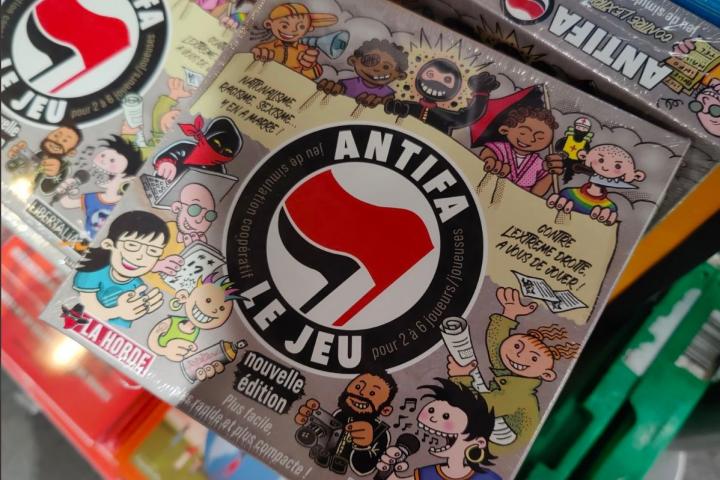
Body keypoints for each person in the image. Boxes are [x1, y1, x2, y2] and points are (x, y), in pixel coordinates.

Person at [447, 288, 579, 454]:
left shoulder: (519, 396)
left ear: (546, 374)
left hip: (503, 442)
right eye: (517, 346)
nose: (519, 355)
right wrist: (509, 314)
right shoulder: (515, 376)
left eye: (533, 358)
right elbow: (496, 347)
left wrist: (460, 378)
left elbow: (481, 406)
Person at [72, 211, 180, 328]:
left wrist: (141, 310)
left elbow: (126, 324)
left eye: (153, 251)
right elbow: (85, 308)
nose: (140, 256)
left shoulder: (138, 285)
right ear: (109, 244)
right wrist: (119, 311)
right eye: (132, 245)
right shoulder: (92, 272)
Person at [377, 378, 500, 480]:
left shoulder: (487, 477)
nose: (432, 418)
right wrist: (386, 470)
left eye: (446, 416)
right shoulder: (428, 474)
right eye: (431, 410)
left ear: (479, 442)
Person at [294, 368, 398, 476]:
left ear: (386, 410)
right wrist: (308, 423)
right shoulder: (340, 414)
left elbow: (364, 469)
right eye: (358, 387)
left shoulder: (381, 433)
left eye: (372, 393)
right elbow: (323, 439)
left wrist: (363, 447)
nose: (361, 393)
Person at [148, 272, 241, 380]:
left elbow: (189, 360)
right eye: (208, 300)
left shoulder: (199, 338)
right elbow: (153, 339)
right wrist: (164, 350)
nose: (214, 310)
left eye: (222, 308)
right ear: (184, 296)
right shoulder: (171, 322)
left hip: (169, 374)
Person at [56, 135, 143, 238]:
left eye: (112, 161)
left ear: (129, 178)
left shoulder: (126, 206)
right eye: (103, 156)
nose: (103, 161)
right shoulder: (93, 198)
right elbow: (67, 203)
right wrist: (65, 189)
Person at [384, 60, 499, 136]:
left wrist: (481, 93)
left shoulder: (445, 118)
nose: (436, 83)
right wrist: (394, 107)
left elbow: (467, 116)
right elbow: (396, 108)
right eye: (430, 75)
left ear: (456, 88)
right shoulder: (408, 107)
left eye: (447, 80)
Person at [546, 144, 646, 225]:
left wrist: (605, 223)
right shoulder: (568, 193)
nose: (605, 168)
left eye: (617, 166)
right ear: (584, 156)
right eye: (601, 160)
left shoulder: (609, 207)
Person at [145, 183, 218, 293]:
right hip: (147, 288)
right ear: (177, 207)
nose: (199, 220)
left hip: (180, 296)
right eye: (194, 210)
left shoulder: (202, 244)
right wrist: (156, 265)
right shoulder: (166, 230)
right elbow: (136, 256)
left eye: (209, 216)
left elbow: (197, 283)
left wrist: (195, 254)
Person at [477, 106, 562, 197]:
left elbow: (537, 193)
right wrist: (490, 161)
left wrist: (551, 175)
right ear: (504, 130)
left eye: (540, 137)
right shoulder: (500, 148)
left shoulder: (539, 163)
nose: (531, 139)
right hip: (487, 193)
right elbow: (488, 154)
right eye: (523, 132)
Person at [251, 3, 338, 80]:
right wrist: (256, 55)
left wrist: (309, 66)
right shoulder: (265, 48)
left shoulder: (306, 52)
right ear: (268, 24)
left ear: (309, 28)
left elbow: (316, 75)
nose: (293, 30)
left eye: (301, 27)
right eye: (284, 26)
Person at [316, 39, 408, 107]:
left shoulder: (387, 94)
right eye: (370, 61)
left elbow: (388, 108)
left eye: (386, 67)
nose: (376, 69)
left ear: (400, 76)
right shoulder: (346, 84)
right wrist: (331, 88)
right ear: (353, 61)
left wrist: (383, 104)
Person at [152, 115, 242, 182]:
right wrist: (167, 163)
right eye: (215, 144)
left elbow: (217, 182)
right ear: (206, 138)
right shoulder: (186, 148)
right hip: (164, 182)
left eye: (226, 152)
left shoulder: (218, 169)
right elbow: (172, 154)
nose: (219, 152)